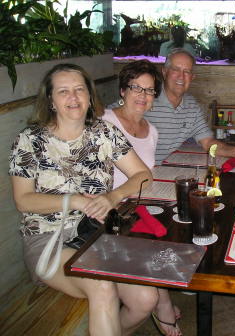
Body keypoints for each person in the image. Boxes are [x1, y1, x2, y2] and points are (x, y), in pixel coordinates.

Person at [9, 63, 158, 336]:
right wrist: (74, 201)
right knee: (102, 286)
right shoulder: (30, 140)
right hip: (49, 239)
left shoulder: (104, 133)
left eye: (79, 89)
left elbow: (143, 176)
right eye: (63, 91)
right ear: (51, 100)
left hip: (97, 234)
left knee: (146, 299)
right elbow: (23, 200)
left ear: (90, 96)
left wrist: (113, 195)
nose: (73, 97)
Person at [102, 60, 182, 336]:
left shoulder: (152, 131)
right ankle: (163, 307)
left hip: (139, 209)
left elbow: (148, 176)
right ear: (123, 90)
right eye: (136, 88)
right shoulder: (105, 122)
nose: (143, 96)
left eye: (149, 91)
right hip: (110, 216)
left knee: (178, 228)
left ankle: (164, 304)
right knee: (158, 241)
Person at [145, 48, 235, 164]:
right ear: (164, 72)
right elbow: (123, 136)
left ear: (192, 77)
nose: (181, 76)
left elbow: (208, 142)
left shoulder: (191, 106)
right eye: (176, 69)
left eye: (187, 71)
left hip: (166, 170)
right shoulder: (146, 98)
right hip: (138, 173)